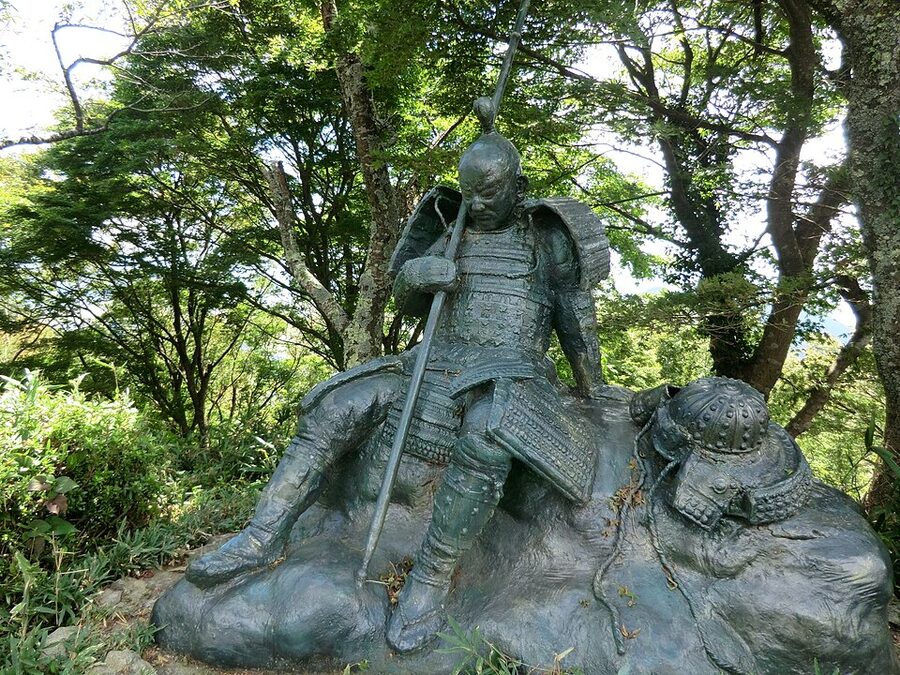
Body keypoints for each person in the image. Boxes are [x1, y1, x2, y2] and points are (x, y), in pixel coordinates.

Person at [186, 101, 610, 653]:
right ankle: (262, 535)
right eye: (470, 192)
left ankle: (430, 579)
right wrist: (419, 274)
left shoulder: (548, 237)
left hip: (512, 369)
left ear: (518, 185)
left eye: (490, 192)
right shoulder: (450, 226)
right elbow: (408, 303)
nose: (477, 205)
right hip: (431, 360)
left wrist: (592, 387)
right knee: (337, 406)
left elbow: (575, 314)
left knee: (486, 436)